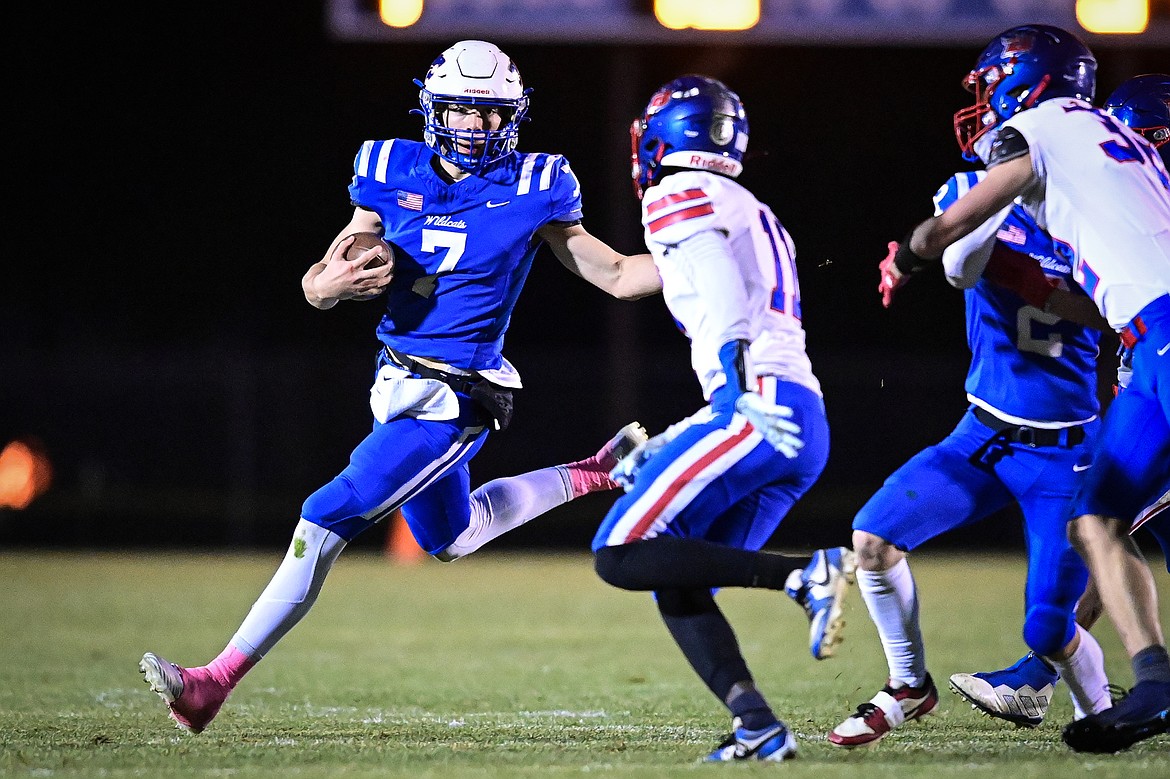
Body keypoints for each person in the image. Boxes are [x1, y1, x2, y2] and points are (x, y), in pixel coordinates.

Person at [137, 39, 665, 734]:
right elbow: (320, 280)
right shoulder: (387, 167)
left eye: (491, 114)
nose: (477, 127)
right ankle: (594, 473)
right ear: (433, 110)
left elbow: (621, 275)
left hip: (456, 397)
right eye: (463, 112)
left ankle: (212, 682)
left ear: (513, 116)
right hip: (393, 380)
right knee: (452, 536)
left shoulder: (537, 185)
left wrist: (707, 258)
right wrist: (327, 284)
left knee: (325, 514)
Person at [878, 25, 1170, 752]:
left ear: (1023, 83)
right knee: (1102, 519)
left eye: (989, 86)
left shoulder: (1037, 128)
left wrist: (911, 255)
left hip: (1160, 338)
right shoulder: (1122, 141)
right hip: (1147, 339)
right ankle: (1155, 683)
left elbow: (962, 219)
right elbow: (1089, 294)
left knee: (1111, 520)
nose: (983, 103)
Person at [591, 75, 854, 763]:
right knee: (672, 571)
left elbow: (720, 291)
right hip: (802, 418)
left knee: (618, 551)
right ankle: (758, 725)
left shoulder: (674, 192)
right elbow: (628, 276)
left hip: (758, 405)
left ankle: (805, 573)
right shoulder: (744, 204)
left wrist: (730, 400)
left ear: (662, 138)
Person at [828, 149, 1115, 743]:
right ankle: (909, 684)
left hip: (1067, 453)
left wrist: (1032, 279)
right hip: (982, 435)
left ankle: (1105, 716)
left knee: (1047, 628)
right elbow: (957, 264)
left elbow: (1107, 311)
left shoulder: (1095, 209)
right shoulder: (970, 187)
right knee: (872, 539)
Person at [950, 73, 1170, 731]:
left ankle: (1040, 673)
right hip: (1147, 367)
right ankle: (1067, 674)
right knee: (1105, 518)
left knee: (1108, 518)